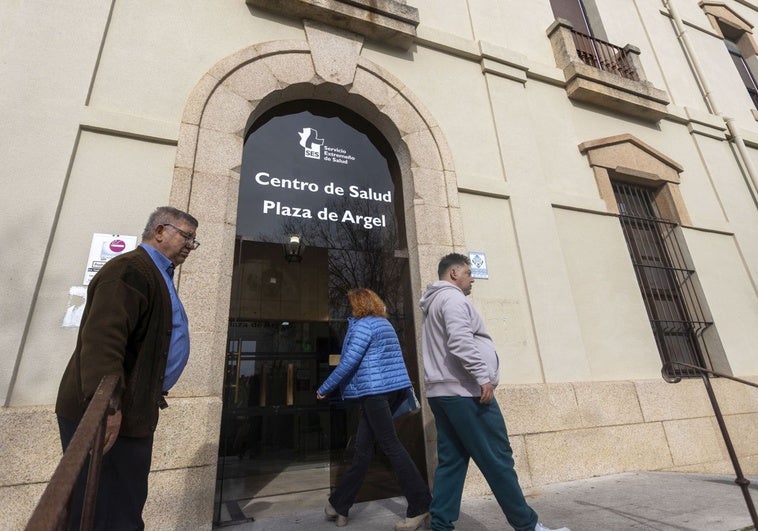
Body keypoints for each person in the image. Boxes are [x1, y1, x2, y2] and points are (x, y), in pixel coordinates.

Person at [55, 206, 200, 530]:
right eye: (186, 236)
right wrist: (108, 406)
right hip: (111, 416)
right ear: (159, 231)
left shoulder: (156, 272)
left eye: (194, 240)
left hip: (132, 411)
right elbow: (104, 342)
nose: (191, 245)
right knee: (111, 513)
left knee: (120, 505)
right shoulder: (131, 270)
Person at [420, 253, 570, 531]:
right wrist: (482, 377)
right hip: (466, 392)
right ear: (453, 274)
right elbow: (460, 341)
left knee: (451, 461)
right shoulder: (453, 299)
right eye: (467, 272)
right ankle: (528, 526)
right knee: (498, 458)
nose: (472, 277)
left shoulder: (433, 302)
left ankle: (440, 525)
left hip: (442, 394)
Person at [317, 288, 432, 530]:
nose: (349, 308)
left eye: (351, 304)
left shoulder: (363, 327)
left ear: (359, 304)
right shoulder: (384, 325)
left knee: (391, 445)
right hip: (387, 391)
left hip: (373, 392)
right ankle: (339, 504)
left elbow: (349, 360)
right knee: (362, 451)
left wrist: (326, 387)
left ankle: (420, 505)